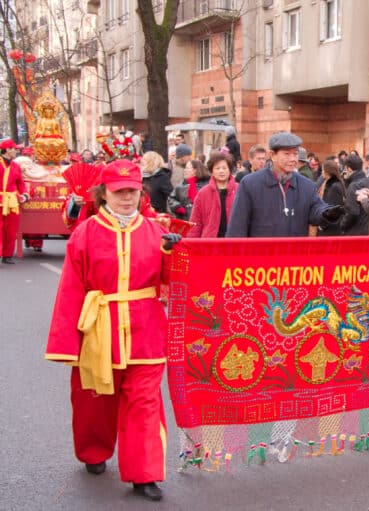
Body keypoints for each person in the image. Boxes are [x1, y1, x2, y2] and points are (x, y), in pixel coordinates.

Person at [44, 160, 179, 501]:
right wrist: (66, 343)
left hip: (146, 331)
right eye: (119, 192)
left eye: (132, 191)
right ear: (103, 193)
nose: (127, 198)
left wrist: (173, 254)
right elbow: (70, 290)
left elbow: (171, 281)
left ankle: (144, 474)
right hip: (98, 331)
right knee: (95, 402)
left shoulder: (155, 231)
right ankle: (94, 450)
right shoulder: (85, 234)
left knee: (145, 404)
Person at [225, 132, 343, 237]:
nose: (293, 159)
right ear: (272, 155)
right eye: (287, 154)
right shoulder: (250, 184)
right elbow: (237, 226)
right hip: (260, 258)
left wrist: (327, 213)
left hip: (293, 258)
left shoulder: (306, 185)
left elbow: (316, 209)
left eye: (295, 154)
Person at [188, 153, 237, 238]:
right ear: (212, 171)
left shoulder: (239, 190)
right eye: (217, 168)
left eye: (224, 168)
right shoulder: (203, 193)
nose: (221, 171)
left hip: (235, 242)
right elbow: (196, 222)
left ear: (230, 170)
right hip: (210, 242)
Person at [0, 140, 29, 264]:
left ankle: (7, 255)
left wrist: (25, 194)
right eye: (14, 149)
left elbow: (21, 184)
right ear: (7, 150)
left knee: (11, 229)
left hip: (12, 201)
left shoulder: (15, 166)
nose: (16, 151)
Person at [339, 154, 369, 235]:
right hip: (368, 230)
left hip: (355, 232)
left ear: (349, 169)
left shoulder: (353, 186)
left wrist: (342, 225)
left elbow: (352, 212)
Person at [316, 160, 345, 237]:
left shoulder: (334, 187)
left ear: (327, 171)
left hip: (330, 229)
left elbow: (332, 210)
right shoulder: (335, 184)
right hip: (332, 227)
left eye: (322, 170)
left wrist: (322, 225)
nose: (321, 172)